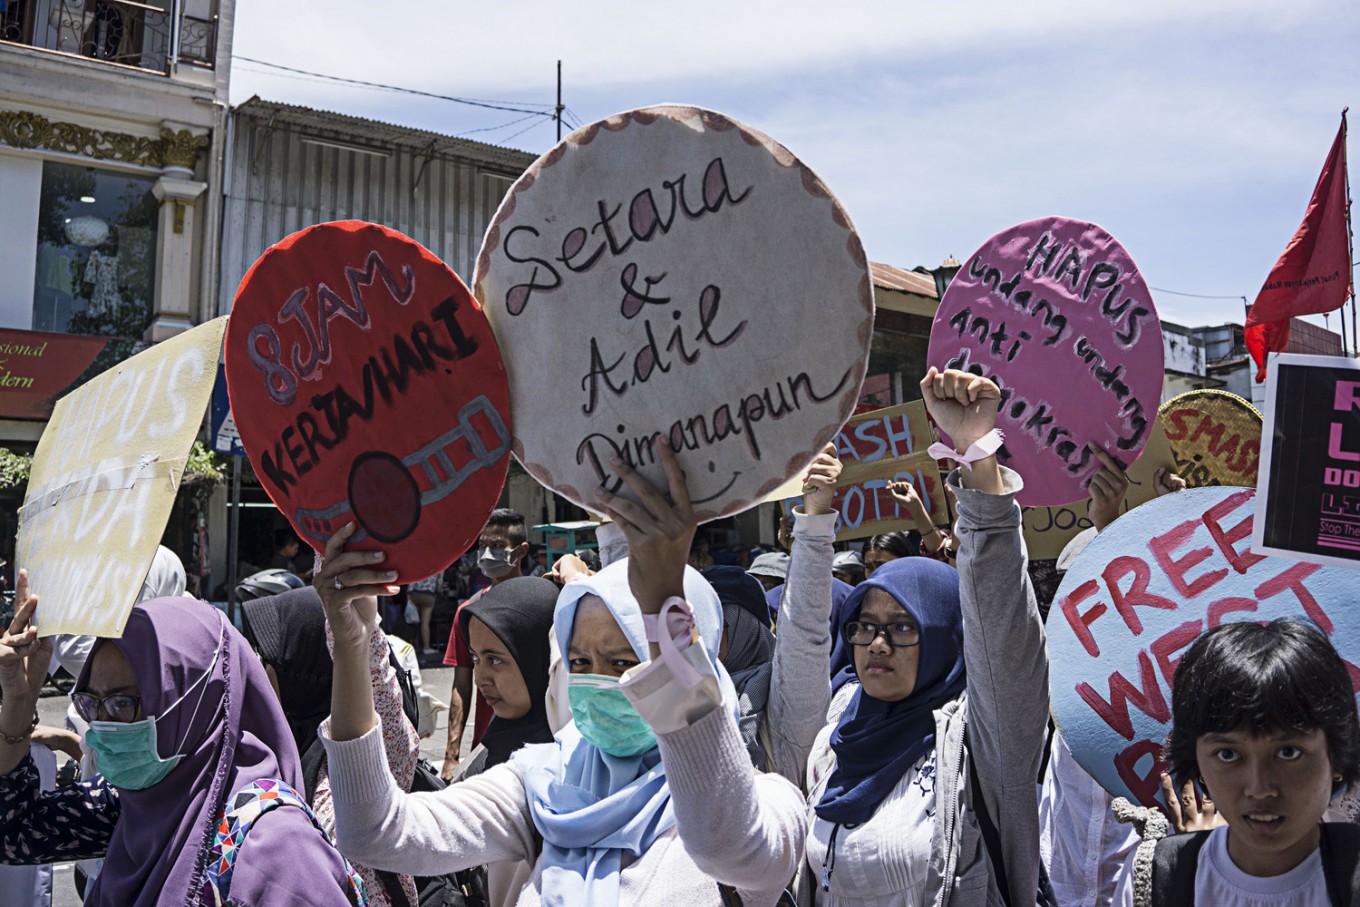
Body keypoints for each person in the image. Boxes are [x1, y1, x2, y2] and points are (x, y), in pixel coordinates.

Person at [314, 441, 807, 906]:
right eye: (579, 663)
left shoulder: (766, 802)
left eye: (624, 663)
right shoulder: (543, 785)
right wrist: (354, 643)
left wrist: (662, 608)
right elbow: (377, 832)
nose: (598, 683)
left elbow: (722, 841)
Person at [794, 367, 1049, 906]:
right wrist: (814, 517)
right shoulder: (837, 727)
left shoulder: (979, 739)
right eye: (865, 626)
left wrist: (977, 455)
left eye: (903, 627)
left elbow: (1003, 628)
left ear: (944, 638)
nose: (877, 645)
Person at [0, 573, 364, 907]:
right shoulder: (134, 801)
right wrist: (19, 701)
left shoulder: (276, 847)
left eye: (123, 703)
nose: (103, 726)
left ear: (191, 704)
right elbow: (15, 832)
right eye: (90, 703)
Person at [1115, 618, 1360, 906]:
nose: (1259, 788)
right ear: (1197, 764)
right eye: (1228, 755)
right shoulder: (1155, 880)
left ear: (1337, 756)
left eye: (1288, 753)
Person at [242, 586, 422, 907]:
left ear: (299, 664)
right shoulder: (273, 755)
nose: (250, 669)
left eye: (261, 655)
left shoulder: (353, 770)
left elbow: (377, 681)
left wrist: (351, 635)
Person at [442, 509, 530, 781]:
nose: (488, 553)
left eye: (497, 546)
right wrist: (451, 754)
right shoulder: (469, 611)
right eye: (483, 545)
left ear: (521, 551)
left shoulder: (542, 605)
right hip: (487, 749)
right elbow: (462, 684)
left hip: (538, 746)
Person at [457, 576, 557, 774]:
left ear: (541, 658)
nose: (480, 680)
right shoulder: (497, 742)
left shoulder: (567, 770)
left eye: (494, 660)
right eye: (475, 659)